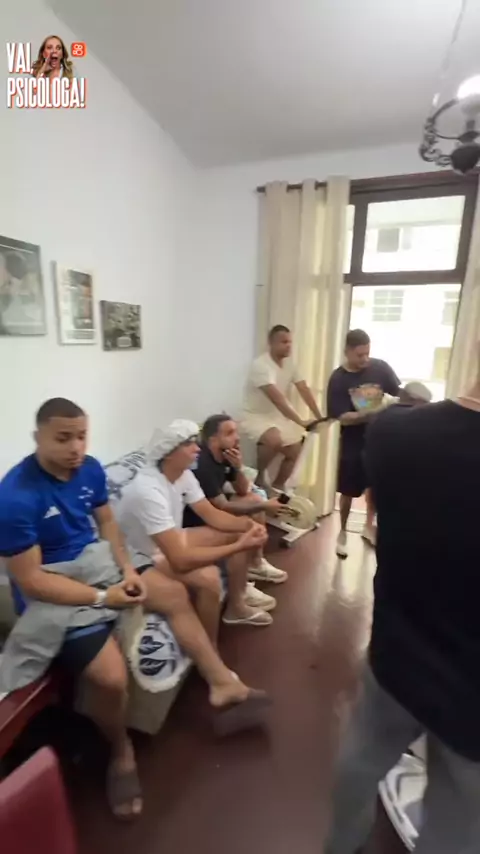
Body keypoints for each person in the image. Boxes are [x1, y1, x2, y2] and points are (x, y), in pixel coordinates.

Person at [324, 360, 480, 854]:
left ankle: (341, 845)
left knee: (360, 760)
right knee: (457, 819)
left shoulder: (393, 432)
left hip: (396, 654)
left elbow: (382, 415)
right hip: (470, 696)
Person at [0, 398, 145, 820]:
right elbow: (32, 582)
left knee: (173, 588)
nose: (76, 447)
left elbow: (108, 523)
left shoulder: (90, 469)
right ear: (37, 437)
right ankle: (121, 750)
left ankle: (223, 684)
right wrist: (104, 598)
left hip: (96, 564)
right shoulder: (14, 496)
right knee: (110, 679)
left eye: (81, 436)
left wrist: (126, 568)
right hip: (53, 589)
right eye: (63, 438)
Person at [116, 419, 274, 631]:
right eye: (189, 443)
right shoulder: (148, 489)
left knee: (239, 531)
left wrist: (247, 525)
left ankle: (236, 607)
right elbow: (179, 560)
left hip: (168, 538)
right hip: (143, 554)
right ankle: (210, 643)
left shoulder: (185, 475)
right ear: (169, 453)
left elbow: (212, 514)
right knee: (210, 578)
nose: (197, 448)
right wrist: (240, 545)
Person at [183, 413, 288, 595]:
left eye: (236, 432)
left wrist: (238, 467)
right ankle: (240, 587)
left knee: (254, 499)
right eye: (230, 433)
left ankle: (256, 564)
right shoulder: (202, 465)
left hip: (216, 507)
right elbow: (222, 507)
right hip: (197, 519)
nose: (237, 438)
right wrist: (265, 506)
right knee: (248, 521)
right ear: (213, 439)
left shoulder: (226, 455)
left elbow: (242, 490)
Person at [326, 329, 400, 557]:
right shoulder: (338, 379)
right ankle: (342, 532)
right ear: (347, 351)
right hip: (352, 442)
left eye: (367, 353)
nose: (365, 359)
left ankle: (369, 525)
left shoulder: (381, 368)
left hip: (381, 439)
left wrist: (394, 404)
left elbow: (398, 394)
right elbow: (342, 418)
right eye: (359, 355)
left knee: (376, 485)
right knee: (348, 489)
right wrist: (372, 412)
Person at [241, 324, 322, 493]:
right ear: (271, 343)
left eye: (290, 342)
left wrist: (319, 416)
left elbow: (303, 389)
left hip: (278, 417)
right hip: (256, 416)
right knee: (274, 439)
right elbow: (278, 399)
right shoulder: (261, 365)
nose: (288, 345)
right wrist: (301, 421)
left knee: (296, 450)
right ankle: (259, 478)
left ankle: (277, 487)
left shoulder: (290, 364)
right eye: (284, 342)